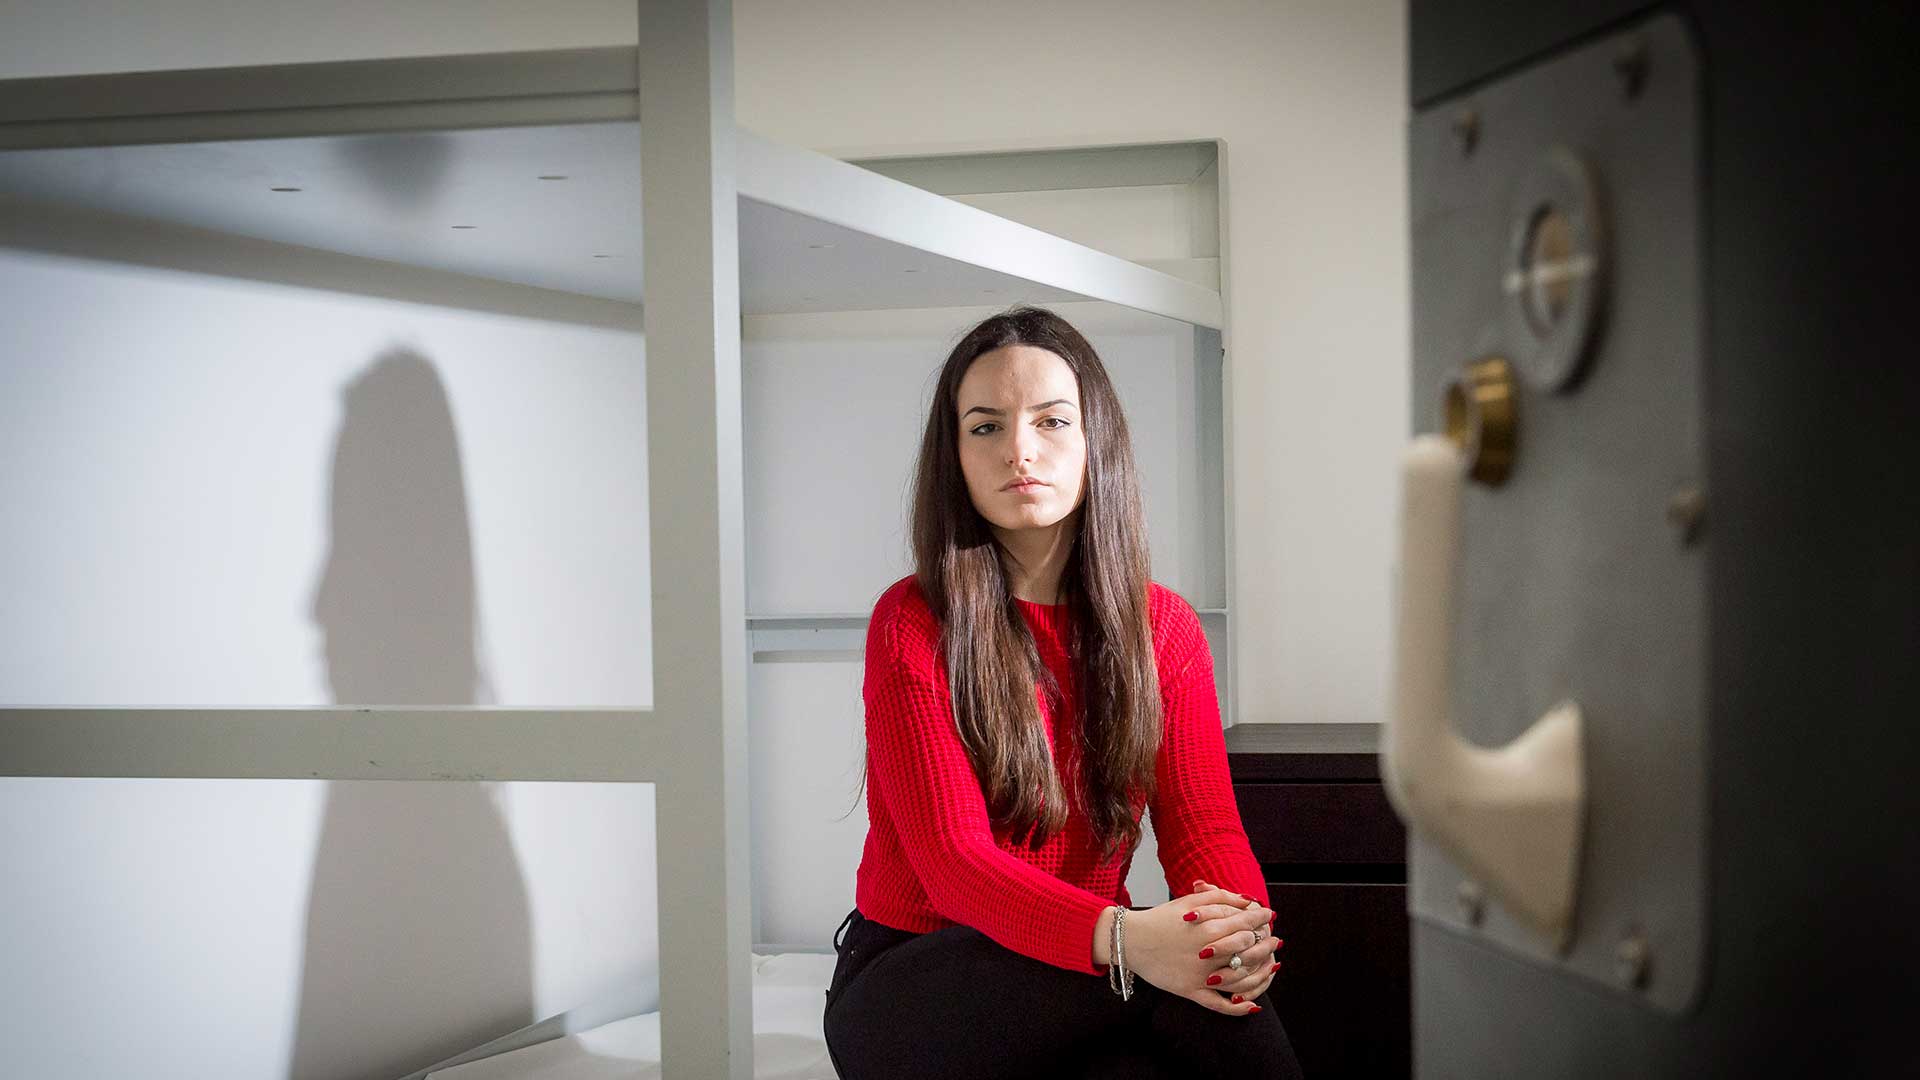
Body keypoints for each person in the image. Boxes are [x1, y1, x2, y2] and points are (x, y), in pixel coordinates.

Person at [823, 307, 1303, 1078]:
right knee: (1170, 985)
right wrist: (1135, 943)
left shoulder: (1165, 629)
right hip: (918, 980)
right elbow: (956, 864)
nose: (1020, 450)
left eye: (1051, 420)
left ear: (1095, 440)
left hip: (1088, 971)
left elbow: (1204, 829)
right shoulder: (914, 620)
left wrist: (1236, 937)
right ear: (954, 454)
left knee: (1190, 1013)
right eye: (985, 426)